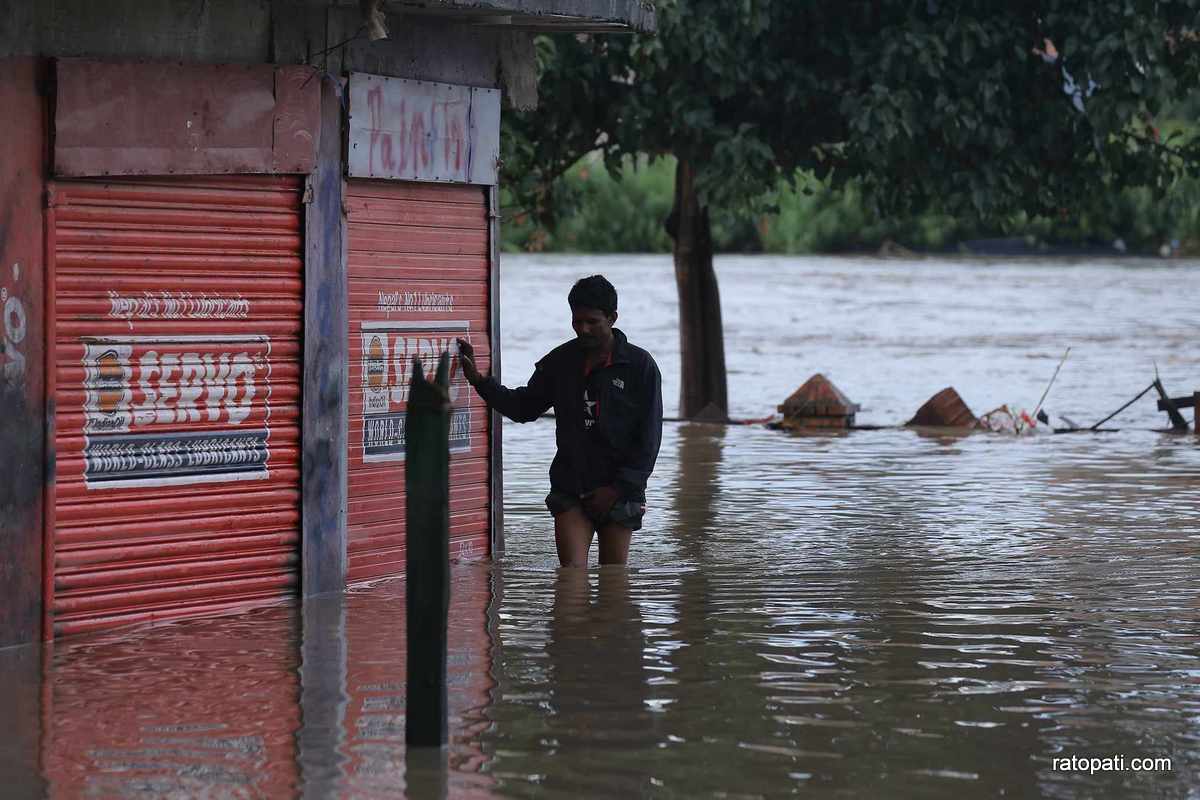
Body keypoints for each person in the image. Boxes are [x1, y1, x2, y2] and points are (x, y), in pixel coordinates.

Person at [456, 275, 663, 567]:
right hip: (571, 488)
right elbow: (524, 408)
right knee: (571, 584)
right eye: (577, 322)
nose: (584, 329)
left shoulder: (640, 368)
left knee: (613, 585)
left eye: (592, 321)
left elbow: (649, 440)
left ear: (612, 318)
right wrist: (479, 382)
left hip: (620, 492)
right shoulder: (560, 362)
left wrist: (617, 489)